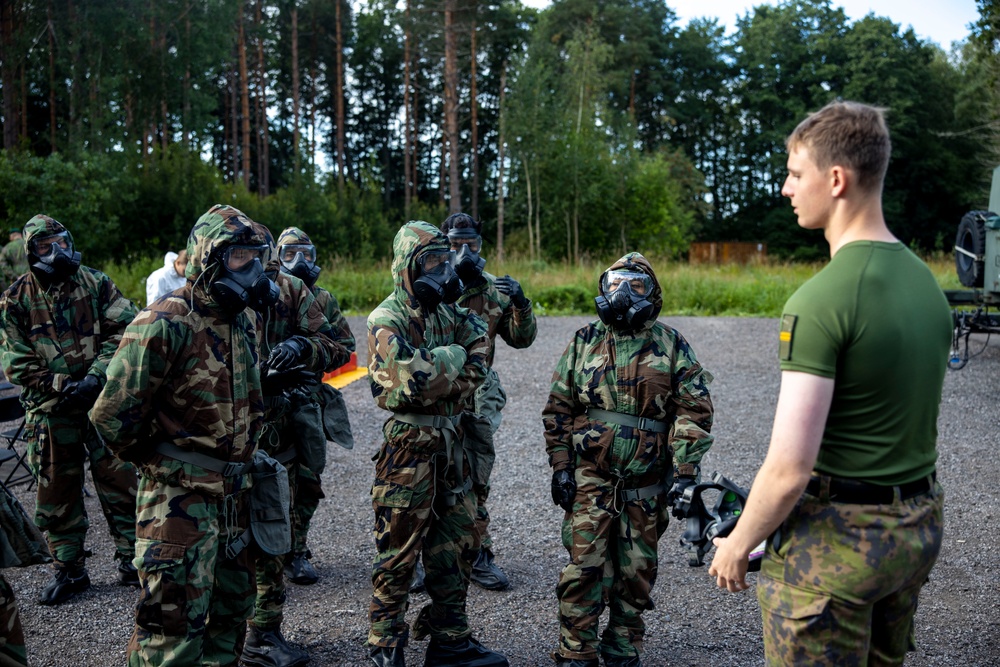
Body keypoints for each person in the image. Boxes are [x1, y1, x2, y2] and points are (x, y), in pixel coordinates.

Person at [709, 101, 951, 666]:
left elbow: (790, 468)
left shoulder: (820, 302)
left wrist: (740, 544)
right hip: (913, 530)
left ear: (836, 179)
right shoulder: (927, 287)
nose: (787, 189)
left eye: (796, 173)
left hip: (839, 549)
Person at [90, 204, 287, 666]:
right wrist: (168, 466)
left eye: (258, 256)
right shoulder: (163, 322)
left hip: (234, 498)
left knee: (229, 623)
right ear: (209, 258)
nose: (254, 268)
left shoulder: (243, 321)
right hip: (178, 505)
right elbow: (111, 417)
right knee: (171, 635)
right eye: (241, 256)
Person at [542, 252, 714, 667]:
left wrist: (686, 473)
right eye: (615, 283)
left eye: (635, 285)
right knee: (583, 568)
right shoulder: (584, 341)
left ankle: (622, 647)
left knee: (636, 573)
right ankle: (576, 650)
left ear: (652, 292)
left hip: (648, 482)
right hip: (591, 477)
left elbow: (694, 410)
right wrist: (562, 467)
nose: (622, 293)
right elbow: (558, 408)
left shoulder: (672, 344)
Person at [366, 221, 508, 667]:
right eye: (431, 262)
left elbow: (479, 357)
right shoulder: (386, 318)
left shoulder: (453, 314)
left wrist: (441, 368)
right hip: (409, 446)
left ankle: (451, 639)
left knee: (458, 544)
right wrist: (451, 360)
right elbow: (408, 383)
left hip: (456, 442)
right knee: (399, 550)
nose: (442, 271)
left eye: (445, 261)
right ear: (407, 267)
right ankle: (385, 644)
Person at [0, 214, 139, 606]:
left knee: (122, 481)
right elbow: (16, 362)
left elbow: (125, 330)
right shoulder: (15, 299)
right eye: (46, 247)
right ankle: (70, 569)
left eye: (62, 242)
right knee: (56, 492)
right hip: (50, 412)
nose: (57, 252)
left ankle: (133, 563)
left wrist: (95, 377)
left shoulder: (95, 282)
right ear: (31, 252)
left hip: (102, 402)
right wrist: (63, 386)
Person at [240, 222, 351, 667]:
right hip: (232, 431)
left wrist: (300, 348)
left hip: (290, 420)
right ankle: (234, 631)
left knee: (288, 505)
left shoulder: (294, 292)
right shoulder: (213, 296)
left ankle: (262, 631)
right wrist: (257, 377)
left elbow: (337, 345)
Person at [434, 212, 537, 591]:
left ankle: (478, 554)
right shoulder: (430, 283)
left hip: (477, 392)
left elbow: (521, 338)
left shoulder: (493, 289)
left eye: (472, 245)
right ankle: (421, 557)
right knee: (427, 472)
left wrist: (521, 304)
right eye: (455, 244)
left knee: (475, 475)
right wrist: (454, 283)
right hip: (436, 390)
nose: (464, 252)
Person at [275, 226, 357, 586]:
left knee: (307, 480)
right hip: (268, 402)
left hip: (308, 399)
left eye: (306, 254)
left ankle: (296, 551)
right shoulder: (265, 294)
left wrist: (308, 353)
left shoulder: (323, 299)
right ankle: (266, 554)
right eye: (290, 254)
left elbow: (345, 345)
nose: (299, 262)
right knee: (267, 479)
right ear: (276, 258)